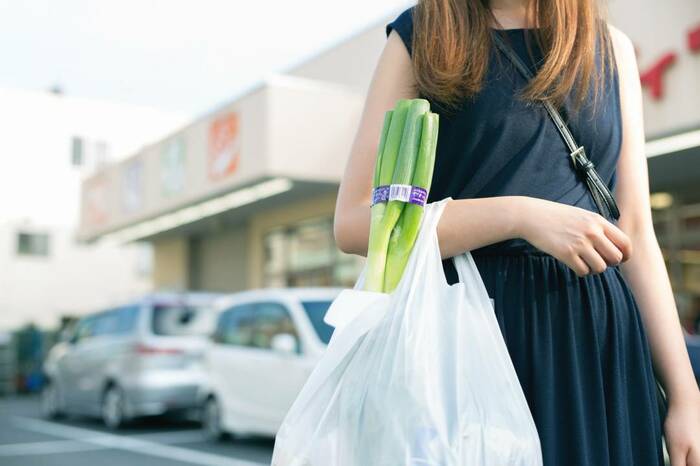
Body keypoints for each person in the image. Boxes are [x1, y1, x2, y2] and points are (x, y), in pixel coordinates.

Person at [332, 1, 700, 465]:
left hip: (596, 344)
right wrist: (519, 216)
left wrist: (686, 394)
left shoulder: (609, 46)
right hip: (471, 330)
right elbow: (355, 221)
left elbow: (636, 235)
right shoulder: (423, 33)